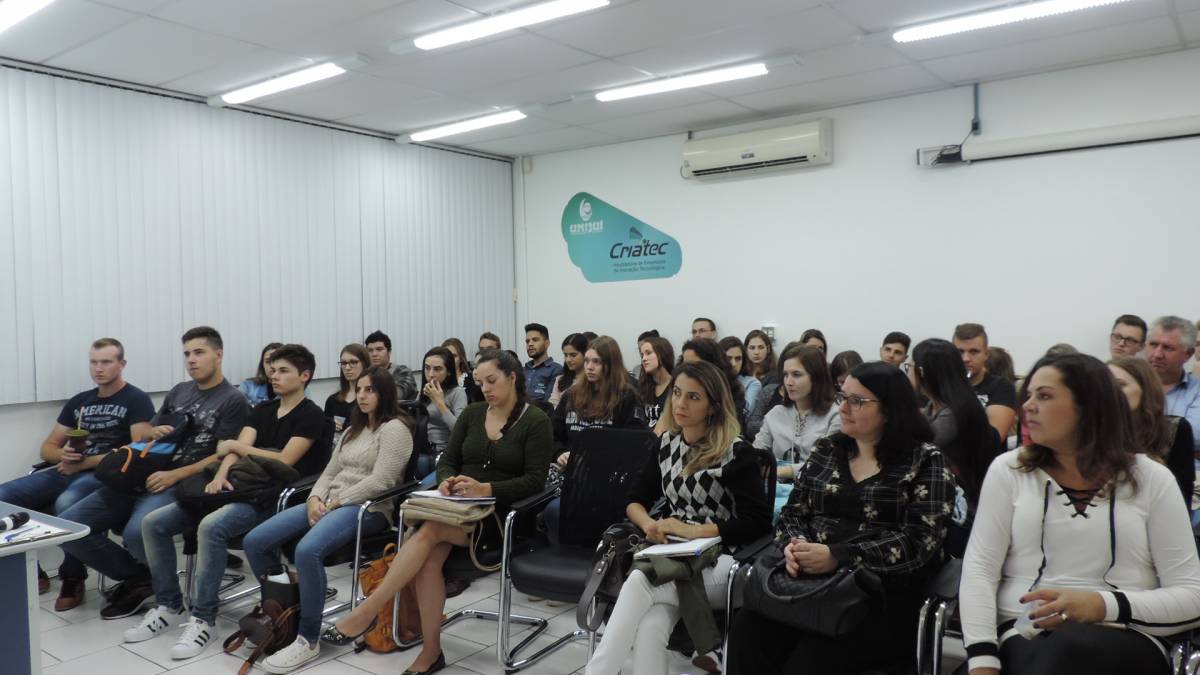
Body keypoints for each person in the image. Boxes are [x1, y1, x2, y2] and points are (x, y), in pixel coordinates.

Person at [959, 352, 1200, 675]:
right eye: (1028, 395)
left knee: (1070, 651)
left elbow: (1192, 595)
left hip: (1126, 633)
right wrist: (982, 660)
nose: (1028, 406)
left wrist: (1100, 604)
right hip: (1024, 633)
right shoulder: (1009, 470)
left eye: (1044, 396)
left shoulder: (1152, 478)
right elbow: (979, 570)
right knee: (1055, 654)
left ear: (1090, 406)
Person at [321, 349, 552, 675]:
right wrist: (446, 481)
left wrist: (486, 488)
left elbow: (535, 481)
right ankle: (431, 651)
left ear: (512, 378)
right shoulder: (473, 414)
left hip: (502, 516)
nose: (485, 388)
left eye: (492, 381)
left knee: (428, 531)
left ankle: (368, 610)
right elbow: (447, 461)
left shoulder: (535, 420)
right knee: (428, 560)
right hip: (458, 509)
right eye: (480, 382)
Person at [728, 362, 951, 675]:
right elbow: (793, 512)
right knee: (747, 631)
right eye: (843, 397)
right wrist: (795, 544)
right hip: (809, 584)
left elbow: (920, 541)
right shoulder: (829, 449)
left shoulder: (925, 461)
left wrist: (840, 556)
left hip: (879, 594)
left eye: (856, 401)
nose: (843, 408)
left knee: (809, 660)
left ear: (890, 410)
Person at [129, 345, 329, 660]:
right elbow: (234, 451)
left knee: (211, 527)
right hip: (236, 486)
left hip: (272, 495)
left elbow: (285, 460)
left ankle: (203, 619)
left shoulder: (311, 415)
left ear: (305, 376)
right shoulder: (261, 410)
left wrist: (236, 447)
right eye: (273, 370)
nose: (274, 376)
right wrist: (221, 475)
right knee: (153, 523)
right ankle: (169, 604)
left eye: (283, 371)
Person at [585, 361, 771, 675]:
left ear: (713, 406)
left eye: (693, 397)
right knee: (651, 625)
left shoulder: (736, 452)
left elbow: (758, 523)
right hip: (672, 552)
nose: (680, 403)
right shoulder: (666, 444)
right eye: (677, 393)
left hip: (725, 559)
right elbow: (632, 500)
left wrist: (693, 531)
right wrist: (649, 525)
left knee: (641, 580)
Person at [58, 326, 250, 619]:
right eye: (187, 354)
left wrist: (175, 475)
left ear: (219, 355)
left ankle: (165, 597)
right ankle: (139, 579)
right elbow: (149, 434)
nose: (191, 360)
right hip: (145, 473)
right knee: (68, 527)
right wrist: (153, 433)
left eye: (199, 352)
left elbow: (225, 455)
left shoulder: (233, 400)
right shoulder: (179, 391)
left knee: (137, 532)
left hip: (184, 481)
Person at [243, 365, 413, 673]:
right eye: (359, 389)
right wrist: (314, 499)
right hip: (330, 502)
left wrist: (337, 501)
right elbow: (329, 472)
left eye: (370, 390)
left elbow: (383, 481)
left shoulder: (395, 429)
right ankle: (286, 613)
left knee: (307, 551)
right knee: (255, 541)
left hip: (369, 509)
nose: (362, 396)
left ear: (385, 393)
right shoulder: (352, 430)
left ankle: (307, 639)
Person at [0, 338, 154, 610]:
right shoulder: (80, 402)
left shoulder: (136, 399)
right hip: (66, 469)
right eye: (93, 362)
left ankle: (73, 577)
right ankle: (30, 569)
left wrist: (84, 464)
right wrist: (65, 455)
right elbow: (48, 447)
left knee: (66, 504)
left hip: (103, 475)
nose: (98, 368)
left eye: (106, 362)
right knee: (3, 497)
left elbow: (137, 452)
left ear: (122, 364)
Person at [909, 338, 999, 557]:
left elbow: (914, 449)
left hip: (959, 512)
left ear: (922, 372)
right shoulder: (936, 406)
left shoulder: (954, 412)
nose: (908, 372)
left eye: (909, 367)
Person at [752, 345, 840, 516]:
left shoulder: (835, 415)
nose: (788, 382)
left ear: (816, 377)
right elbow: (757, 454)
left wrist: (782, 471)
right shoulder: (776, 413)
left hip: (816, 497)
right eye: (785, 375)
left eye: (797, 375)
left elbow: (827, 467)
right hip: (774, 491)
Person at [1109, 356, 1194, 505]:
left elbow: (1181, 496)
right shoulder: (1091, 430)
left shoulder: (1173, 429)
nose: (1109, 391)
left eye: (1120, 384)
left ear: (1144, 389)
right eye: (1105, 385)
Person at [552, 335, 644, 465]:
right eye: (586, 361)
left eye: (596, 362)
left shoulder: (627, 397)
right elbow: (552, 433)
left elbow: (635, 441)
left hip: (609, 467)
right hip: (572, 466)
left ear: (611, 365)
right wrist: (559, 452)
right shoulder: (571, 394)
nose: (589, 367)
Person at [953, 323, 1018, 441]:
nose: (965, 359)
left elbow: (994, 439)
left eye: (974, 352)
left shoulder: (1001, 387)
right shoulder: (942, 384)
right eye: (960, 352)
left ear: (986, 354)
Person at [1147, 315, 1200, 454]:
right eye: (1153, 345)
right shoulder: (1127, 384)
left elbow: (1194, 437)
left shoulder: (1197, 391)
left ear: (1188, 354)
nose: (1157, 354)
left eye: (1168, 348)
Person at [671, 338, 746, 433]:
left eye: (695, 366)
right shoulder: (677, 391)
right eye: (684, 364)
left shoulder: (731, 398)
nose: (687, 371)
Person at [420, 346, 468, 472]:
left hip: (445, 453)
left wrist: (439, 402)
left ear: (449, 372)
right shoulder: (424, 392)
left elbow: (460, 431)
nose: (431, 374)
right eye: (427, 368)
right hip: (423, 450)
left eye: (437, 369)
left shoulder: (457, 393)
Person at [324, 343, 368, 445]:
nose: (347, 367)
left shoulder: (371, 398)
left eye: (353, 362)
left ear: (365, 364)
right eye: (343, 363)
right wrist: (329, 426)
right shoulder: (332, 400)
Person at [365, 329, 418, 402]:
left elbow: (397, 395)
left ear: (389, 351)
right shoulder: (365, 373)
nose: (374, 354)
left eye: (379, 349)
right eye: (370, 350)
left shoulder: (402, 372)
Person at [720, 336, 762, 419]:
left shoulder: (751, 383)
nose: (733, 364)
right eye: (728, 358)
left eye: (738, 359)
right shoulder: (711, 380)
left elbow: (744, 414)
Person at [637, 336, 675, 428]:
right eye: (642, 355)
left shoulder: (675, 386)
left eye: (648, 353)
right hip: (645, 435)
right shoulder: (642, 386)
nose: (644, 359)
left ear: (662, 354)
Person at [523, 322, 563, 403]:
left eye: (535, 340)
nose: (530, 344)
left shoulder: (556, 369)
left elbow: (549, 404)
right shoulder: (523, 370)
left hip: (540, 411)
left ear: (547, 343)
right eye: (527, 341)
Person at [549, 332, 589, 408]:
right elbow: (553, 405)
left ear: (585, 354)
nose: (568, 360)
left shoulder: (592, 380)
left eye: (573, 355)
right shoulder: (560, 380)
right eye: (565, 355)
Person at [239, 342, 283, 407]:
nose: (272, 366)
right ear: (262, 365)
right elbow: (240, 410)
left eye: (277, 360)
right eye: (268, 361)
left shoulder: (295, 388)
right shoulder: (248, 386)